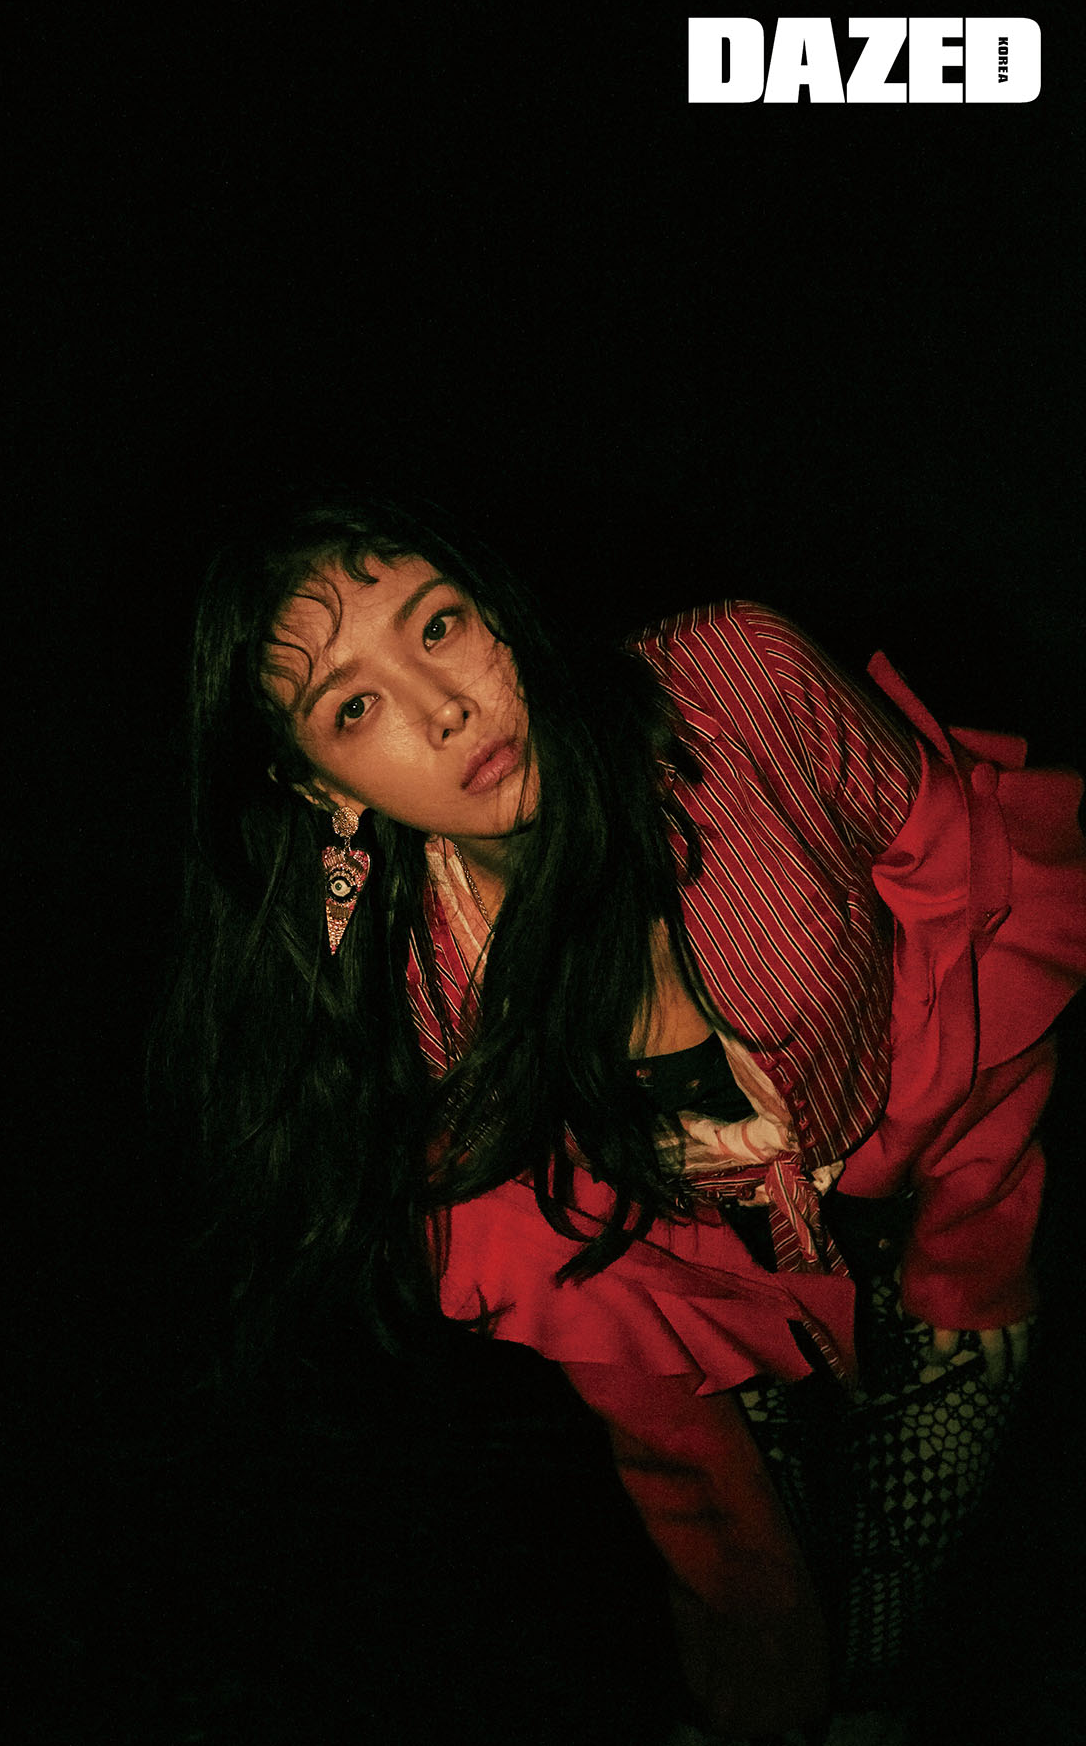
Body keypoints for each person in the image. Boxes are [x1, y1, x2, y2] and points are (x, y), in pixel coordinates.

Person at [155, 491, 1086, 1742]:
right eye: (353, 707)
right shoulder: (420, 994)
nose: (442, 709)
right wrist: (752, 1649)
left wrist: (966, 1250)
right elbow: (597, 1310)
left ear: (497, 606)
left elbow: (981, 917)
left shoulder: (741, 684)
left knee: (910, 1609)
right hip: (725, 1308)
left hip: (945, 1200)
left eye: (437, 624)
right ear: (323, 784)